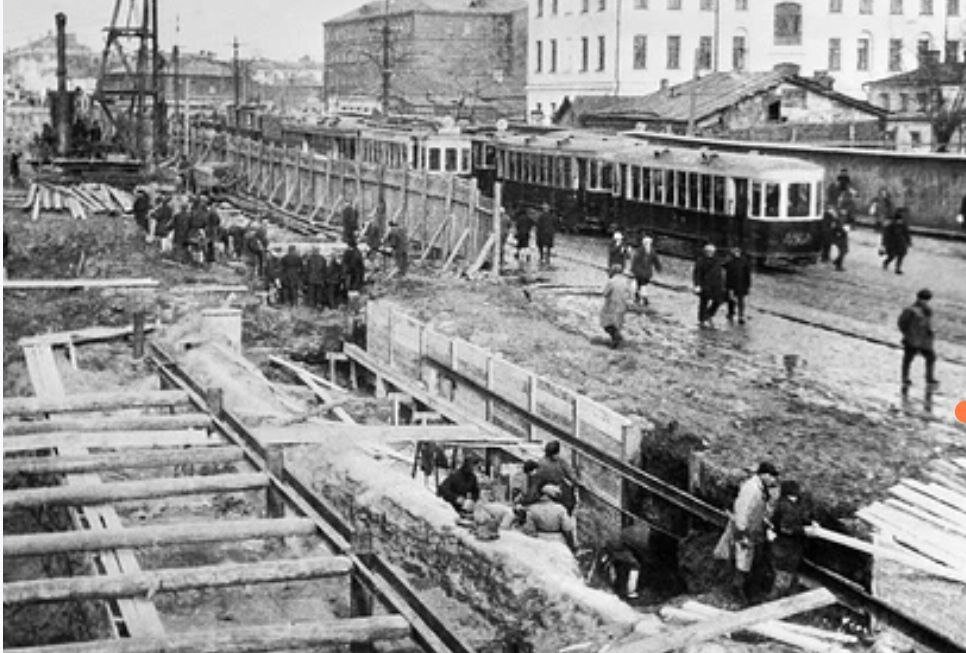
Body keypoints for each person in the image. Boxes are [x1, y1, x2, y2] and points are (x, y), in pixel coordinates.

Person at [714, 461, 780, 603]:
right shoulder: (752, 489)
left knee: (748, 561)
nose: (773, 480)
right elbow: (742, 511)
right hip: (745, 531)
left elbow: (759, 509)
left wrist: (765, 522)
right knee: (742, 561)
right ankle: (736, 591)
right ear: (763, 475)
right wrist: (742, 534)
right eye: (771, 476)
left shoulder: (761, 488)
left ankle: (743, 590)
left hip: (754, 530)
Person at [601, 521, 686, 600]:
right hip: (621, 546)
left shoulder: (650, 537)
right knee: (634, 565)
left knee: (632, 564)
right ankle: (630, 592)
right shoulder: (649, 543)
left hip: (625, 546)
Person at [770, 480, 810, 595]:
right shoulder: (786, 506)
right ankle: (777, 599)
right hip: (786, 548)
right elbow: (786, 528)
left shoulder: (787, 504)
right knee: (783, 575)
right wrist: (804, 531)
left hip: (783, 546)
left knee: (783, 575)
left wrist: (809, 522)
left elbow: (797, 518)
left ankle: (778, 596)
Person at [898, 288, 938, 393]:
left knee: (931, 358)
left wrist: (930, 331)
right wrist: (908, 334)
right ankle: (905, 378)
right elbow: (902, 323)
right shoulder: (910, 310)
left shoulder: (928, 311)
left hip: (924, 341)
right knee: (908, 360)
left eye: (926, 300)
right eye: (924, 299)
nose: (925, 302)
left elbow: (928, 324)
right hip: (912, 340)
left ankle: (929, 378)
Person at [524, 441, 579, 514]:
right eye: (556, 453)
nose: (557, 455)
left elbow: (570, 473)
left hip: (555, 490)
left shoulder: (555, 461)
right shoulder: (546, 463)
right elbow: (571, 474)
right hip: (552, 492)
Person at [523, 484, 577, 552]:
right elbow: (567, 529)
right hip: (558, 542)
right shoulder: (560, 509)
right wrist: (572, 545)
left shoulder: (532, 508)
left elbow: (529, 530)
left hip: (539, 541)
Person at [692, 243, 724, 328]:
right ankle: (702, 320)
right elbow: (697, 274)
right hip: (704, 285)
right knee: (703, 303)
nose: (709, 253)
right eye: (708, 251)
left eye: (711, 252)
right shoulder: (700, 261)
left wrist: (722, 285)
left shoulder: (717, 261)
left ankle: (709, 314)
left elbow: (720, 274)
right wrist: (697, 285)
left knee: (718, 301)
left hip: (716, 285)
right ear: (705, 252)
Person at [600, 264, 630, 349]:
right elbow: (630, 294)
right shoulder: (626, 281)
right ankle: (617, 338)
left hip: (611, 305)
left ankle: (616, 338)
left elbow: (605, 293)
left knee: (606, 323)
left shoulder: (611, 281)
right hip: (623, 305)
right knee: (618, 323)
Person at [630, 234, 661, 306]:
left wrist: (658, 268)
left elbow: (656, 261)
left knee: (642, 286)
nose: (648, 245)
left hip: (645, 273)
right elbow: (635, 261)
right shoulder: (640, 251)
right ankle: (641, 299)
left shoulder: (651, 252)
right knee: (639, 285)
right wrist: (633, 269)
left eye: (649, 243)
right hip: (640, 272)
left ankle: (642, 299)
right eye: (646, 243)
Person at [725, 246, 752, 325]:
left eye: (738, 252)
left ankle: (741, 316)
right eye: (735, 252)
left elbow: (747, 274)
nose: (737, 253)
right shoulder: (730, 261)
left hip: (742, 285)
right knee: (731, 300)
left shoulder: (744, 261)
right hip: (731, 284)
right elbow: (726, 273)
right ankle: (731, 313)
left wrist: (748, 285)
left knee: (741, 301)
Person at [881, 209, 911, 274]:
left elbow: (906, 234)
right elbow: (886, 236)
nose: (900, 221)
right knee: (892, 256)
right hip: (893, 244)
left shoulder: (903, 226)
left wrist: (908, 242)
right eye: (898, 220)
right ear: (895, 220)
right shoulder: (890, 226)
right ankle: (886, 263)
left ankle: (897, 269)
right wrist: (884, 244)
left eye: (901, 220)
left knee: (901, 256)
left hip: (901, 244)